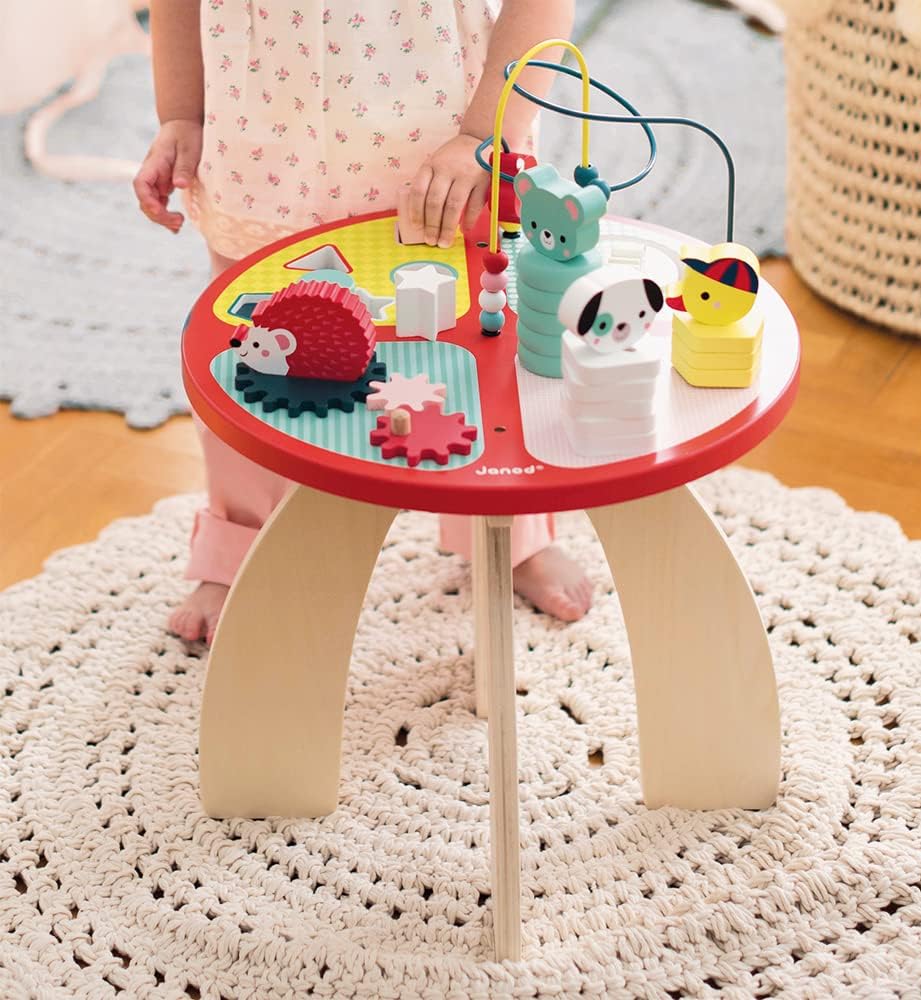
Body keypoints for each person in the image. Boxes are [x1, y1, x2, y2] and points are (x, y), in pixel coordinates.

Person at [133, 0, 593, 644]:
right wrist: (179, 114)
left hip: (443, 143)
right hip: (261, 148)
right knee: (252, 360)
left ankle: (510, 532)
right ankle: (238, 549)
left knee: (476, 345)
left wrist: (484, 136)